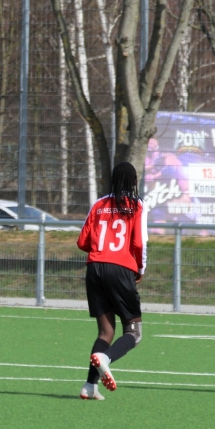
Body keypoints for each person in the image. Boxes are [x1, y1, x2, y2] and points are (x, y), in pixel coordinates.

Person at [75, 162, 148, 401]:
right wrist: (140, 268)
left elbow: (82, 241)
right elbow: (139, 242)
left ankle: (89, 385)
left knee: (105, 331)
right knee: (134, 332)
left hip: (94, 268)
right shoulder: (136, 205)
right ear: (134, 181)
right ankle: (106, 358)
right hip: (121, 268)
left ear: (113, 180)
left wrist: (101, 249)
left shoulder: (99, 204)